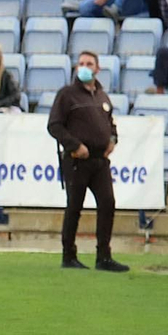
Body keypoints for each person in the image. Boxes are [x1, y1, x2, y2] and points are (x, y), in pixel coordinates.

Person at [47, 52, 130, 272]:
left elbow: (110, 123)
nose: (84, 67)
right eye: (81, 63)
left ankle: (104, 255)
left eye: (89, 64)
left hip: (100, 161)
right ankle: (69, 255)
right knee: (74, 206)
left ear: (97, 69)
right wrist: (75, 145)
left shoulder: (102, 96)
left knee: (107, 203)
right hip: (76, 160)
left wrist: (112, 139)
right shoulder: (67, 95)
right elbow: (55, 125)